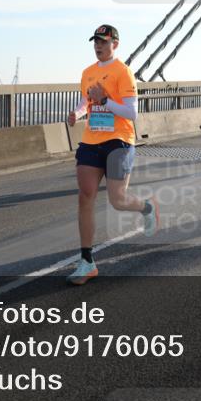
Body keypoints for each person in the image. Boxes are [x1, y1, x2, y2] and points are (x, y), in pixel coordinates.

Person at [66, 24, 159, 285]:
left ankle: (147, 207)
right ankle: (87, 262)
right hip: (91, 139)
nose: (98, 46)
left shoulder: (124, 72)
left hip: (119, 140)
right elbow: (87, 101)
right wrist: (78, 112)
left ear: (114, 45)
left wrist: (106, 100)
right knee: (85, 196)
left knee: (117, 199)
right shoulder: (87, 73)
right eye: (95, 41)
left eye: (104, 42)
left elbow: (132, 113)